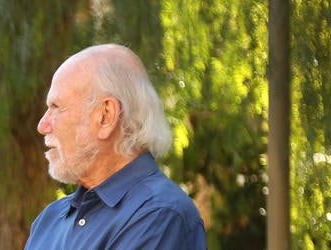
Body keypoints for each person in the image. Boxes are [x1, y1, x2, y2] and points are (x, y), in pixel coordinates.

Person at [24, 44, 207, 249]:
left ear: (106, 116)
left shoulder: (160, 215)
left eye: (56, 107)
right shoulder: (49, 221)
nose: (42, 125)